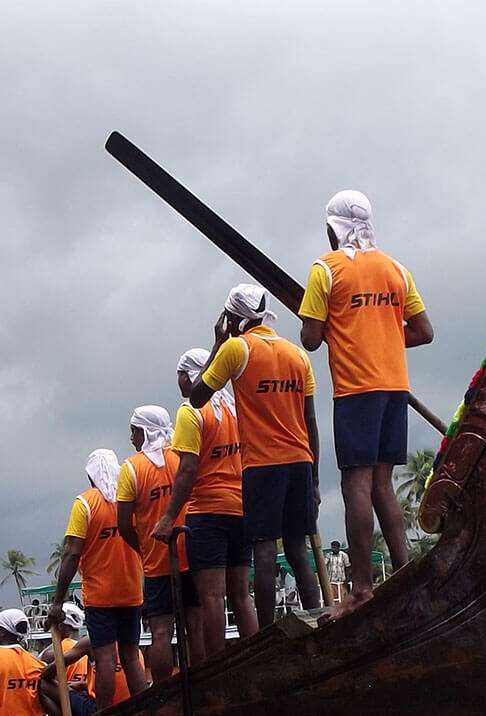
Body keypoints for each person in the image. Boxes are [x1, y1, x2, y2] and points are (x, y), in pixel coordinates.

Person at [297, 190, 433, 607]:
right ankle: (405, 570)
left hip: (357, 390)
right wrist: (384, 337)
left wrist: (350, 333)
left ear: (333, 227)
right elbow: (424, 331)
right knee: (383, 485)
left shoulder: (326, 270)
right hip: (394, 387)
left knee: (355, 483)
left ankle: (361, 587)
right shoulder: (396, 270)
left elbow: (311, 338)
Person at [189, 284, 324, 625]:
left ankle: (267, 637)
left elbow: (197, 396)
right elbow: (310, 421)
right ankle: (318, 619)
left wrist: (218, 342)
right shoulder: (297, 354)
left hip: (263, 465)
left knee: (264, 550)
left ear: (233, 318)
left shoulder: (237, 348)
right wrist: (316, 480)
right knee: (297, 550)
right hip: (300, 462)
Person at [154, 347, 258, 662]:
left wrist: (169, 517)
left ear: (189, 377)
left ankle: (218, 666)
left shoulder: (191, 411)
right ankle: (256, 658)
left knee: (212, 597)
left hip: (207, 510)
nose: (179, 383)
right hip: (241, 507)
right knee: (241, 594)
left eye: (180, 376)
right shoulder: (236, 407)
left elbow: (186, 469)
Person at [51, 448, 150, 705]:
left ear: (90, 476)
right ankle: (145, 710)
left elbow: (72, 553)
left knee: (105, 657)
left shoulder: (84, 504)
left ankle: (105, 715)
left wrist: (58, 601)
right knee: (130, 655)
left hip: (100, 596)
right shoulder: (129, 501)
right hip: (131, 593)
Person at [116, 404, 194, 680]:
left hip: (156, 561)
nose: (132, 439)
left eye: (134, 432)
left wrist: (144, 547)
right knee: (195, 626)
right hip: (190, 552)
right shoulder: (181, 456)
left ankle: (162, 692)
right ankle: (203, 681)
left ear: (144, 431)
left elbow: (123, 523)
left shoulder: (131, 468)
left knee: (161, 631)